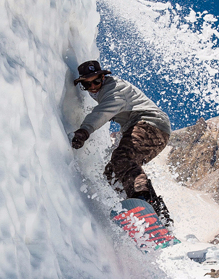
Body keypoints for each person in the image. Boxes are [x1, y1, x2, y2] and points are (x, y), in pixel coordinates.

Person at [69, 60, 173, 225]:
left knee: (123, 157)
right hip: (146, 128)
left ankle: (144, 201)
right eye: (87, 85)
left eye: (96, 81)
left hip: (151, 123)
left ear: (103, 77)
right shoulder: (104, 91)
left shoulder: (115, 88)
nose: (93, 87)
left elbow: (104, 111)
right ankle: (158, 215)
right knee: (112, 173)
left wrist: (84, 131)